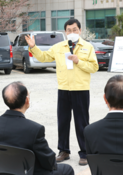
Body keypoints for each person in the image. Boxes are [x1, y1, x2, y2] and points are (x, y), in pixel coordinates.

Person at [25, 19, 98, 165]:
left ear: (80, 30)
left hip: (81, 89)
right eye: (69, 30)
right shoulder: (58, 47)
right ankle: (63, 151)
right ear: (65, 32)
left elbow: (94, 67)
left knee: (82, 123)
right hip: (64, 89)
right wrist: (34, 47)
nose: (72, 32)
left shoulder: (87, 47)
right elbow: (44, 57)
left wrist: (79, 61)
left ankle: (84, 153)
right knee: (63, 121)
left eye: (75, 29)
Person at [0, 82, 74, 175]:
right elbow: (49, 162)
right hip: (30, 172)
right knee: (67, 169)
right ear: (27, 101)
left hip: (3, 172)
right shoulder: (34, 129)